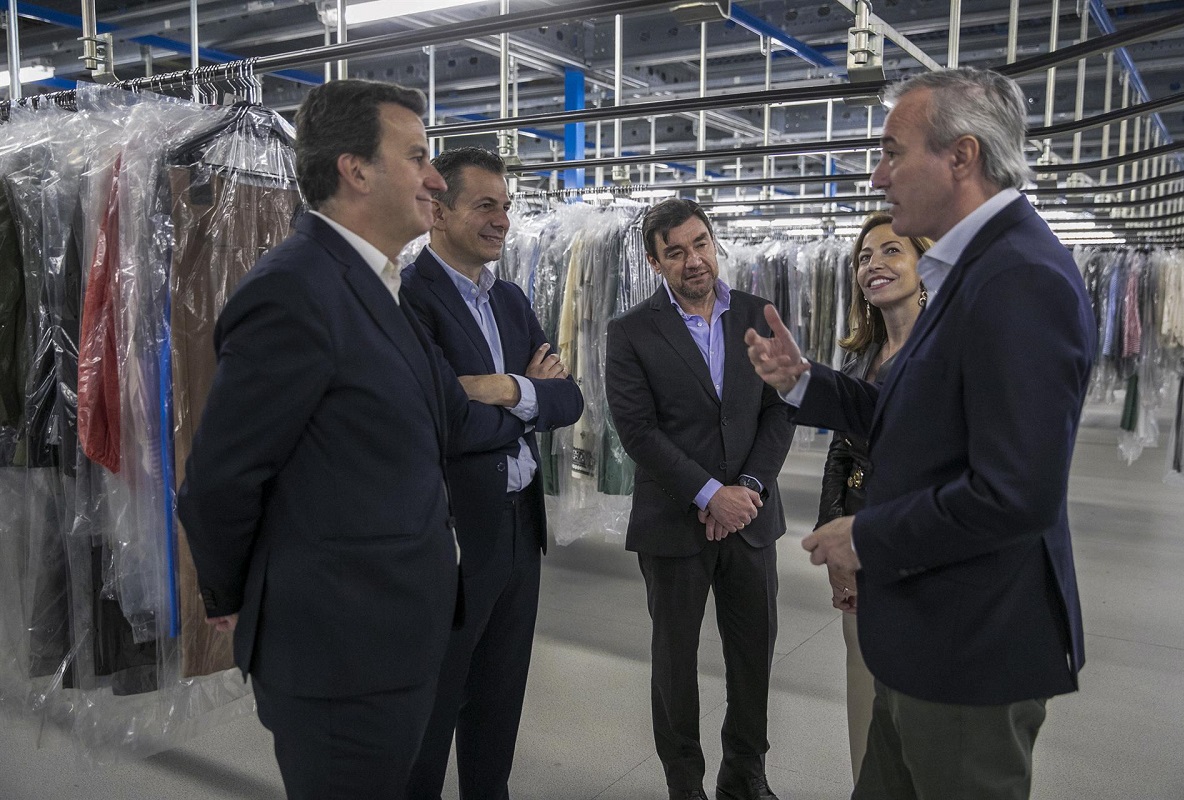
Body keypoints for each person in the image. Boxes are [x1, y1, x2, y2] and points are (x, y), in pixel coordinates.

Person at [746, 67, 1096, 800]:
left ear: (961, 157)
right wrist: (804, 380)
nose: (878, 176)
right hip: (928, 638)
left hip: (971, 651)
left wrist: (865, 536)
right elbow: (916, 420)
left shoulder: (1018, 279)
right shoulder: (971, 269)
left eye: (892, 152)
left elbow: (1014, 495)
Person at [176, 80, 527, 800]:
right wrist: (237, 595)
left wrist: (529, 395)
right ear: (355, 169)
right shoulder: (296, 290)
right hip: (336, 655)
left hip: (391, 641)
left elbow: (451, 419)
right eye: (419, 157)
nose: (435, 178)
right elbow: (220, 478)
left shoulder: (380, 287)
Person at [400, 147, 584, 800]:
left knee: (498, 707)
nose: (503, 220)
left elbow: (571, 399)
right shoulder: (408, 300)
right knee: (429, 711)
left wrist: (503, 391)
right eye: (485, 205)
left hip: (518, 531)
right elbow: (441, 424)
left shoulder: (509, 298)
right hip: (451, 539)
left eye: (506, 206)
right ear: (437, 210)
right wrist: (527, 398)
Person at [605, 198, 794, 800]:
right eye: (677, 251)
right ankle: (684, 783)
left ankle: (747, 774)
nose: (695, 260)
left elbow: (781, 411)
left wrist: (749, 491)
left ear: (716, 242)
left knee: (752, 658)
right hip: (674, 522)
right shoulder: (630, 330)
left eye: (702, 243)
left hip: (752, 521)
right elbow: (637, 431)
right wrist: (712, 494)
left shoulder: (760, 317)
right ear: (656, 263)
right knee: (674, 666)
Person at [815, 212, 932, 784]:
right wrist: (837, 547)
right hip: (858, 534)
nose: (874, 265)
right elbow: (839, 456)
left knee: (922, 702)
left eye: (891, 251)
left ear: (924, 264)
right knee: (863, 686)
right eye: (864, 256)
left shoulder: (949, 352)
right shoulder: (859, 357)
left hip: (921, 540)